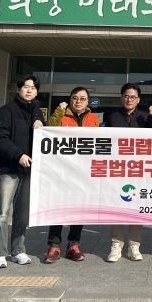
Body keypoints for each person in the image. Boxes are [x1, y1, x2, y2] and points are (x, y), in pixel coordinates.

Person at [0, 75, 44, 269]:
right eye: (26, 86)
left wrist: (42, 124)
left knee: (22, 214)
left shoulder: (37, 113)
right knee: (2, 213)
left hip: (29, 171)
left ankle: (18, 250)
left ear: (36, 92)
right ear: (19, 89)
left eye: (33, 88)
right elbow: (0, 139)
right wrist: (18, 155)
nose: (29, 90)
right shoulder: (6, 111)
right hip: (8, 169)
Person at [43, 86, 100, 264]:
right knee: (58, 206)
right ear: (70, 100)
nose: (78, 101)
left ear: (88, 102)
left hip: (83, 171)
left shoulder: (93, 119)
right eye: (75, 98)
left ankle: (73, 245)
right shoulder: (62, 115)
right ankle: (54, 246)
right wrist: (59, 111)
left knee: (79, 208)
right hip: (61, 170)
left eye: (82, 98)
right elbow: (49, 130)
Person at [104, 83, 152, 262]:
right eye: (126, 96)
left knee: (136, 207)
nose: (129, 99)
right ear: (122, 98)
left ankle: (134, 246)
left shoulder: (145, 116)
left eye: (133, 97)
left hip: (139, 169)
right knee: (116, 206)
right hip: (118, 168)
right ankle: (116, 245)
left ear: (138, 99)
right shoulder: (112, 116)